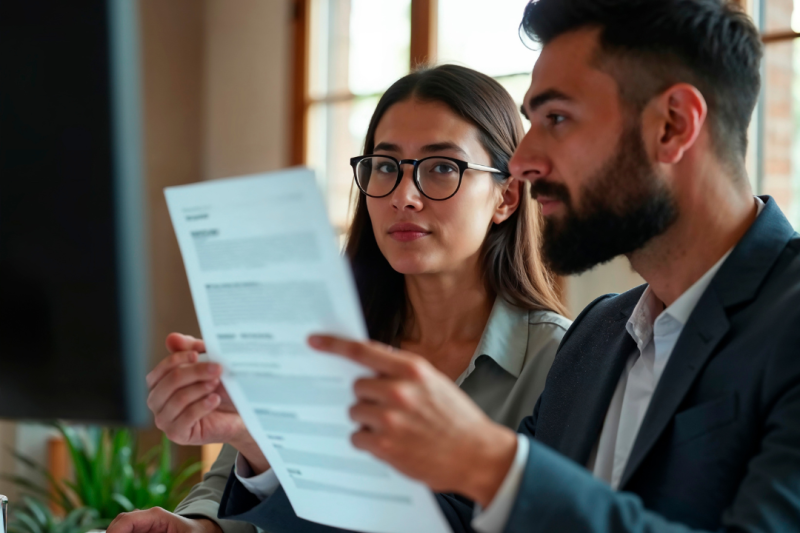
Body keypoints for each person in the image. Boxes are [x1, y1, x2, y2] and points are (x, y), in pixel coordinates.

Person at [213, 0, 800, 532]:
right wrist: (253, 451)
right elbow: (443, 523)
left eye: (557, 119)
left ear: (672, 125)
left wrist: (489, 462)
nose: (521, 161)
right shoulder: (598, 336)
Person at [106, 65, 570, 533]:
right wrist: (200, 528)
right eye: (386, 166)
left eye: (442, 168)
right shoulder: (319, 341)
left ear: (506, 197)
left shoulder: (561, 360)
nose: (404, 196)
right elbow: (230, 488)